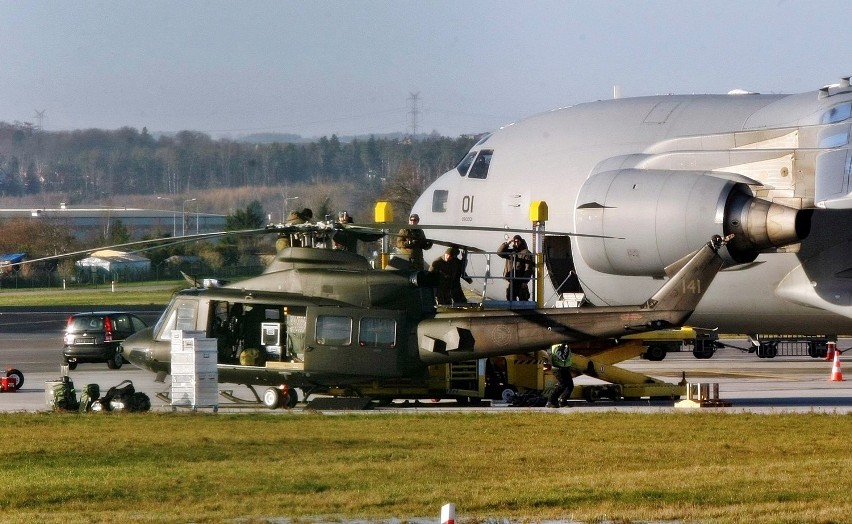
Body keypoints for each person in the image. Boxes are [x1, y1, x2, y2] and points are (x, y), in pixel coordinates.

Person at [497, 235, 533, 301]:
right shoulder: (511, 252)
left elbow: (528, 268)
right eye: (515, 242)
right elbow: (499, 252)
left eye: (518, 241)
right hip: (511, 281)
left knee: (523, 301)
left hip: (521, 281)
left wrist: (525, 281)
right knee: (510, 299)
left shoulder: (526, 253)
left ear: (521, 242)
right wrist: (507, 243)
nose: (516, 243)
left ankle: (526, 311)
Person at [546, 343, 574, 408]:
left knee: (570, 385)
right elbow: (563, 357)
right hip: (559, 368)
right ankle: (551, 401)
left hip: (564, 368)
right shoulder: (561, 346)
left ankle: (563, 401)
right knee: (563, 384)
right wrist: (565, 347)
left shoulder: (558, 346)